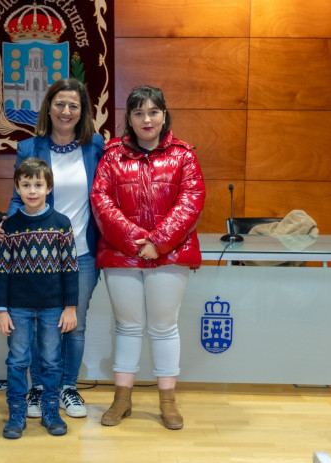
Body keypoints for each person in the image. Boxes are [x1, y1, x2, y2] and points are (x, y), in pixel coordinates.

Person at [90, 85, 206, 430]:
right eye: (139, 113)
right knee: (127, 327)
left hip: (169, 255)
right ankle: (121, 400)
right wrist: (134, 240)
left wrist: (158, 242)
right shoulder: (112, 156)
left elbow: (192, 201)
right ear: (130, 118)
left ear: (164, 114)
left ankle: (167, 402)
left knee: (163, 327)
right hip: (121, 253)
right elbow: (101, 200)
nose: (147, 119)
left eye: (153, 111)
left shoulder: (184, 156)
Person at [0, 78, 104, 419]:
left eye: (74, 105)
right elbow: (20, 197)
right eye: (60, 104)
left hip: (81, 253)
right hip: (37, 255)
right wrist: (9, 225)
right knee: (34, 322)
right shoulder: (29, 148)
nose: (66, 111)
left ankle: (67, 388)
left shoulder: (96, 146)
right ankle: (39, 389)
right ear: (48, 107)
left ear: (82, 111)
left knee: (73, 322)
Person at [0, 158, 79, 439]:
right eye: (26, 184)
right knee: (18, 360)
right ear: (17, 188)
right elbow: (2, 271)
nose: (32, 190)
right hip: (17, 307)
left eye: (38, 184)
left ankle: (50, 410)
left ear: (49, 187)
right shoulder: (11, 227)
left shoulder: (61, 224)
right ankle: (16, 412)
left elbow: (71, 268)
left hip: (54, 307)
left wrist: (70, 307)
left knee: (52, 361)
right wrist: (1, 309)